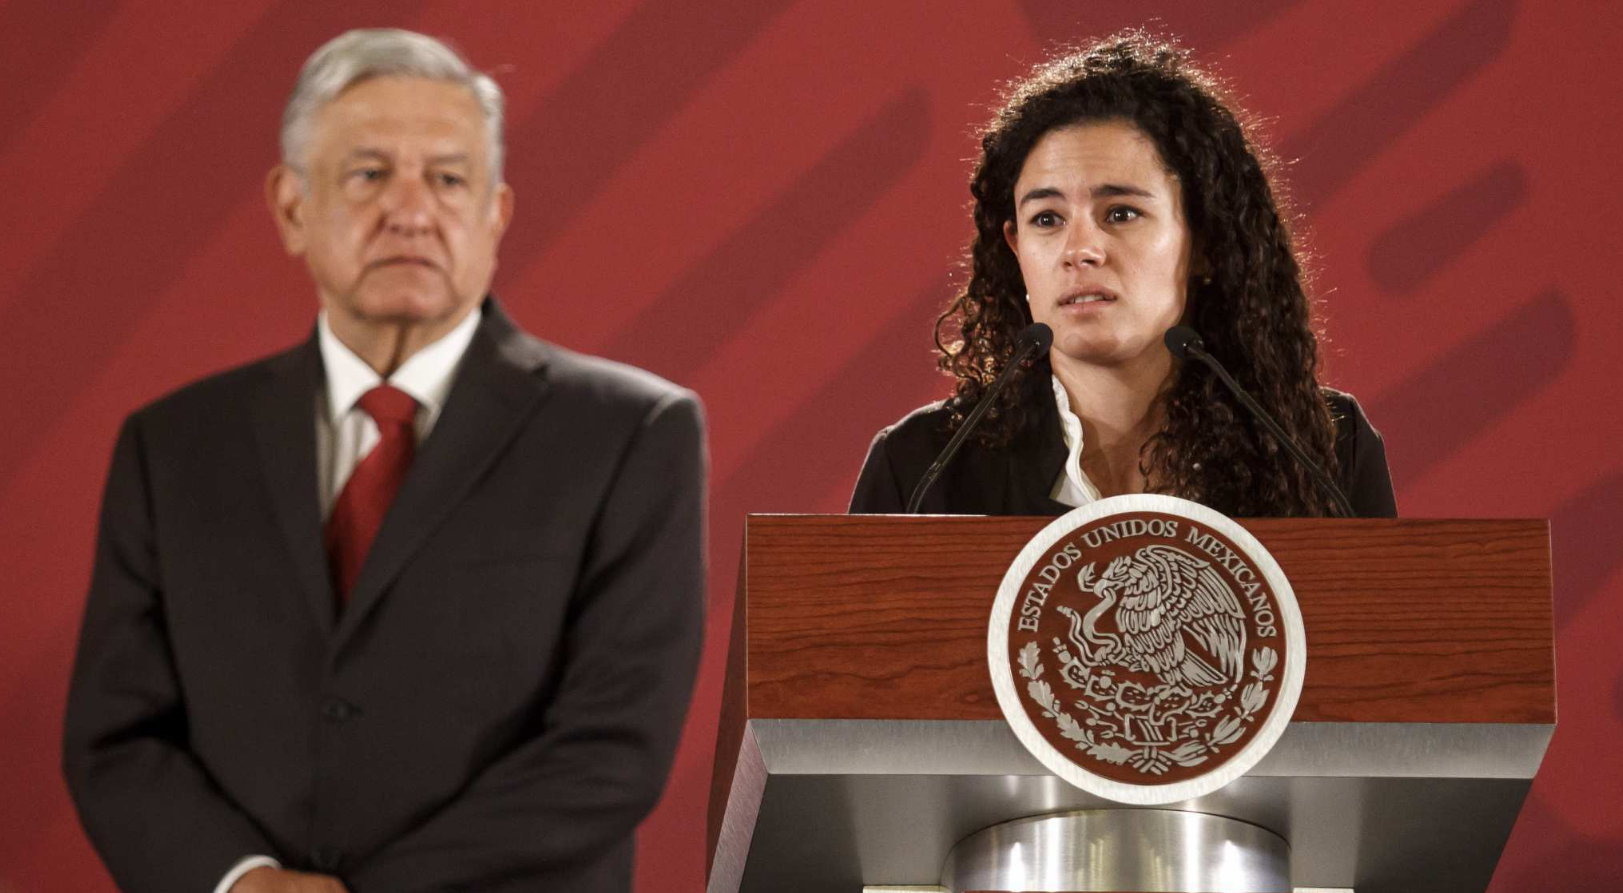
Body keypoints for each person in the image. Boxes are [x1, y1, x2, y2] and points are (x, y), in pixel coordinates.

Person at [62, 29, 705, 893]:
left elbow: (611, 748)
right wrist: (243, 880)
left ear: (495, 215)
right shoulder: (173, 444)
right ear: (292, 207)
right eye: (368, 174)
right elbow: (116, 736)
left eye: (448, 178)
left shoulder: (630, 433)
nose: (410, 210)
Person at [850, 32, 1395, 518]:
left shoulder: (1324, 448)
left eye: (1121, 213)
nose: (1080, 250)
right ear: (1015, 249)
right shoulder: (922, 469)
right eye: (1047, 219)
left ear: (1205, 242)